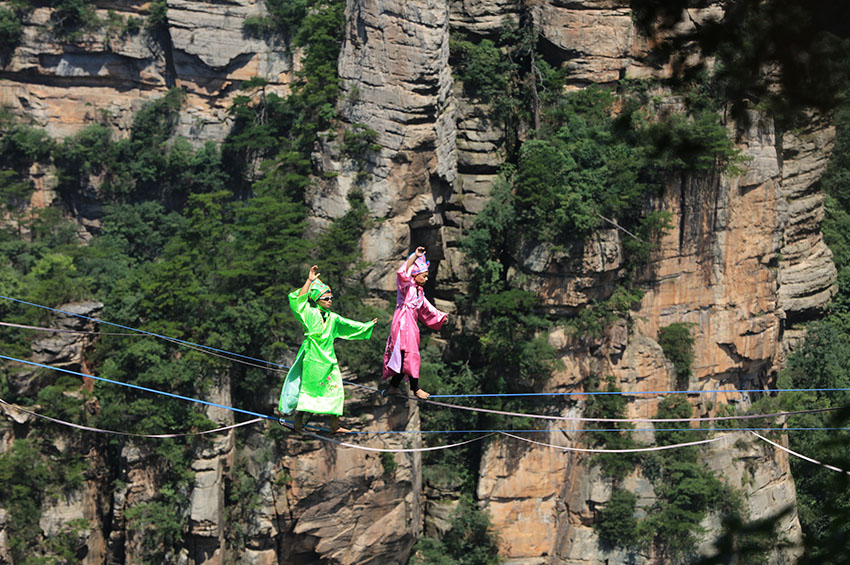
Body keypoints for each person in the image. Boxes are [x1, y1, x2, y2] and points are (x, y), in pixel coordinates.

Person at [279, 265, 377, 433]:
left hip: (329, 359)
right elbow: (299, 301)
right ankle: (298, 421)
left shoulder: (333, 318)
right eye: (326, 298)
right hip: (313, 358)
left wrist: (367, 325)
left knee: (336, 389)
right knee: (309, 391)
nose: (330, 300)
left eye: (331, 297)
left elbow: (349, 325)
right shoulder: (309, 313)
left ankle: (334, 425)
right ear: (317, 300)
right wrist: (309, 281)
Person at [383, 246, 448, 399]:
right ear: (415, 275)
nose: (426, 279)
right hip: (402, 324)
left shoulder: (419, 291)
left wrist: (440, 316)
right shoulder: (406, 287)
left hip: (410, 325)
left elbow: (426, 307)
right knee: (409, 355)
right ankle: (415, 388)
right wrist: (415, 257)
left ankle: (393, 386)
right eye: (424, 276)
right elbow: (401, 273)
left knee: (403, 356)